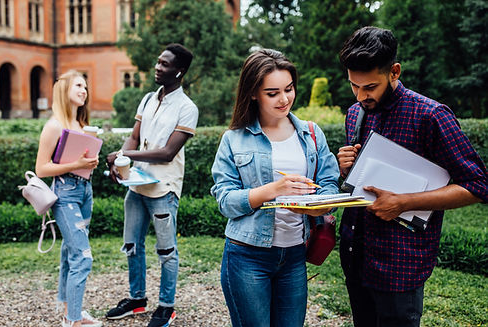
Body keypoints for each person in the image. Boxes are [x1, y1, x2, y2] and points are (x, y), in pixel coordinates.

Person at [337, 26, 488, 327]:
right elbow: (363, 180)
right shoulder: (355, 113)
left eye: (370, 87)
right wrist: (346, 168)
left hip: (400, 264)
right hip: (356, 255)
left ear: (394, 71)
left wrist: (404, 202)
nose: (361, 95)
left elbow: (478, 185)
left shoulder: (431, 115)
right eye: (354, 85)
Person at [211, 49, 340, 327]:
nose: (284, 99)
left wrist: (323, 203)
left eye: (289, 89)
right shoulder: (234, 139)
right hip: (247, 256)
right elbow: (225, 201)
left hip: (294, 254)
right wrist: (273, 189)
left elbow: (329, 183)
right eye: (272, 93)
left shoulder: (312, 133)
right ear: (254, 93)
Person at [105, 43, 198, 327]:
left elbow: (167, 153)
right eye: (158, 62)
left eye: (165, 64)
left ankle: (166, 306)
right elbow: (133, 138)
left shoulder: (187, 108)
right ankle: (137, 300)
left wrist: (125, 155)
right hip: (136, 185)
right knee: (132, 245)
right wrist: (120, 165)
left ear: (179, 71)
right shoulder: (147, 99)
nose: (158, 67)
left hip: (163, 189)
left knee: (166, 251)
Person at [35, 70, 101, 327]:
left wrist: (88, 163)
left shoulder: (82, 126)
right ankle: (73, 320)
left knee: (69, 252)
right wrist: (77, 163)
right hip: (65, 194)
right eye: (78, 86)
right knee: (83, 257)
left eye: (85, 86)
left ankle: (68, 308)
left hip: (85, 191)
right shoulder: (54, 125)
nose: (84, 90)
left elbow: (79, 162)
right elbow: (41, 169)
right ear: (64, 90)